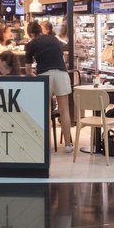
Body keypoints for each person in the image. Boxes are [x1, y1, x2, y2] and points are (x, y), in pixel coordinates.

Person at [25, 21, 73, 152]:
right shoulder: (53, 38)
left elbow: (28, 69)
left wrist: (32, 73)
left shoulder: (30, 44)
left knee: (45, 111)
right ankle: (68, 145)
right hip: (61, 74)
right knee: (64, 110)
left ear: (31, 33)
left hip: (44, 76)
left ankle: (46, 145)